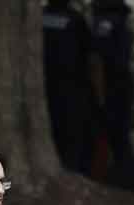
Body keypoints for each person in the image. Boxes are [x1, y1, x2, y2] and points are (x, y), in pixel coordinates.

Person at [43, 0, 94, 173]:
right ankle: (71, 166)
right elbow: (88, 53)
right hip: (69, 85)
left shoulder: (40, 16)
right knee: (70, 129)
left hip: (48, 84)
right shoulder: (75, 18)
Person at [91, 0, 134, 183]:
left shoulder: (105, 23)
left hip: (111, 84)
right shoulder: (120, 20)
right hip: (122, 82)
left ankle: (118, 177)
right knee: (120, 133)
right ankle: (125, 174)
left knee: (111, 131)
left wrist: (99, 95)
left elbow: (97, 60)